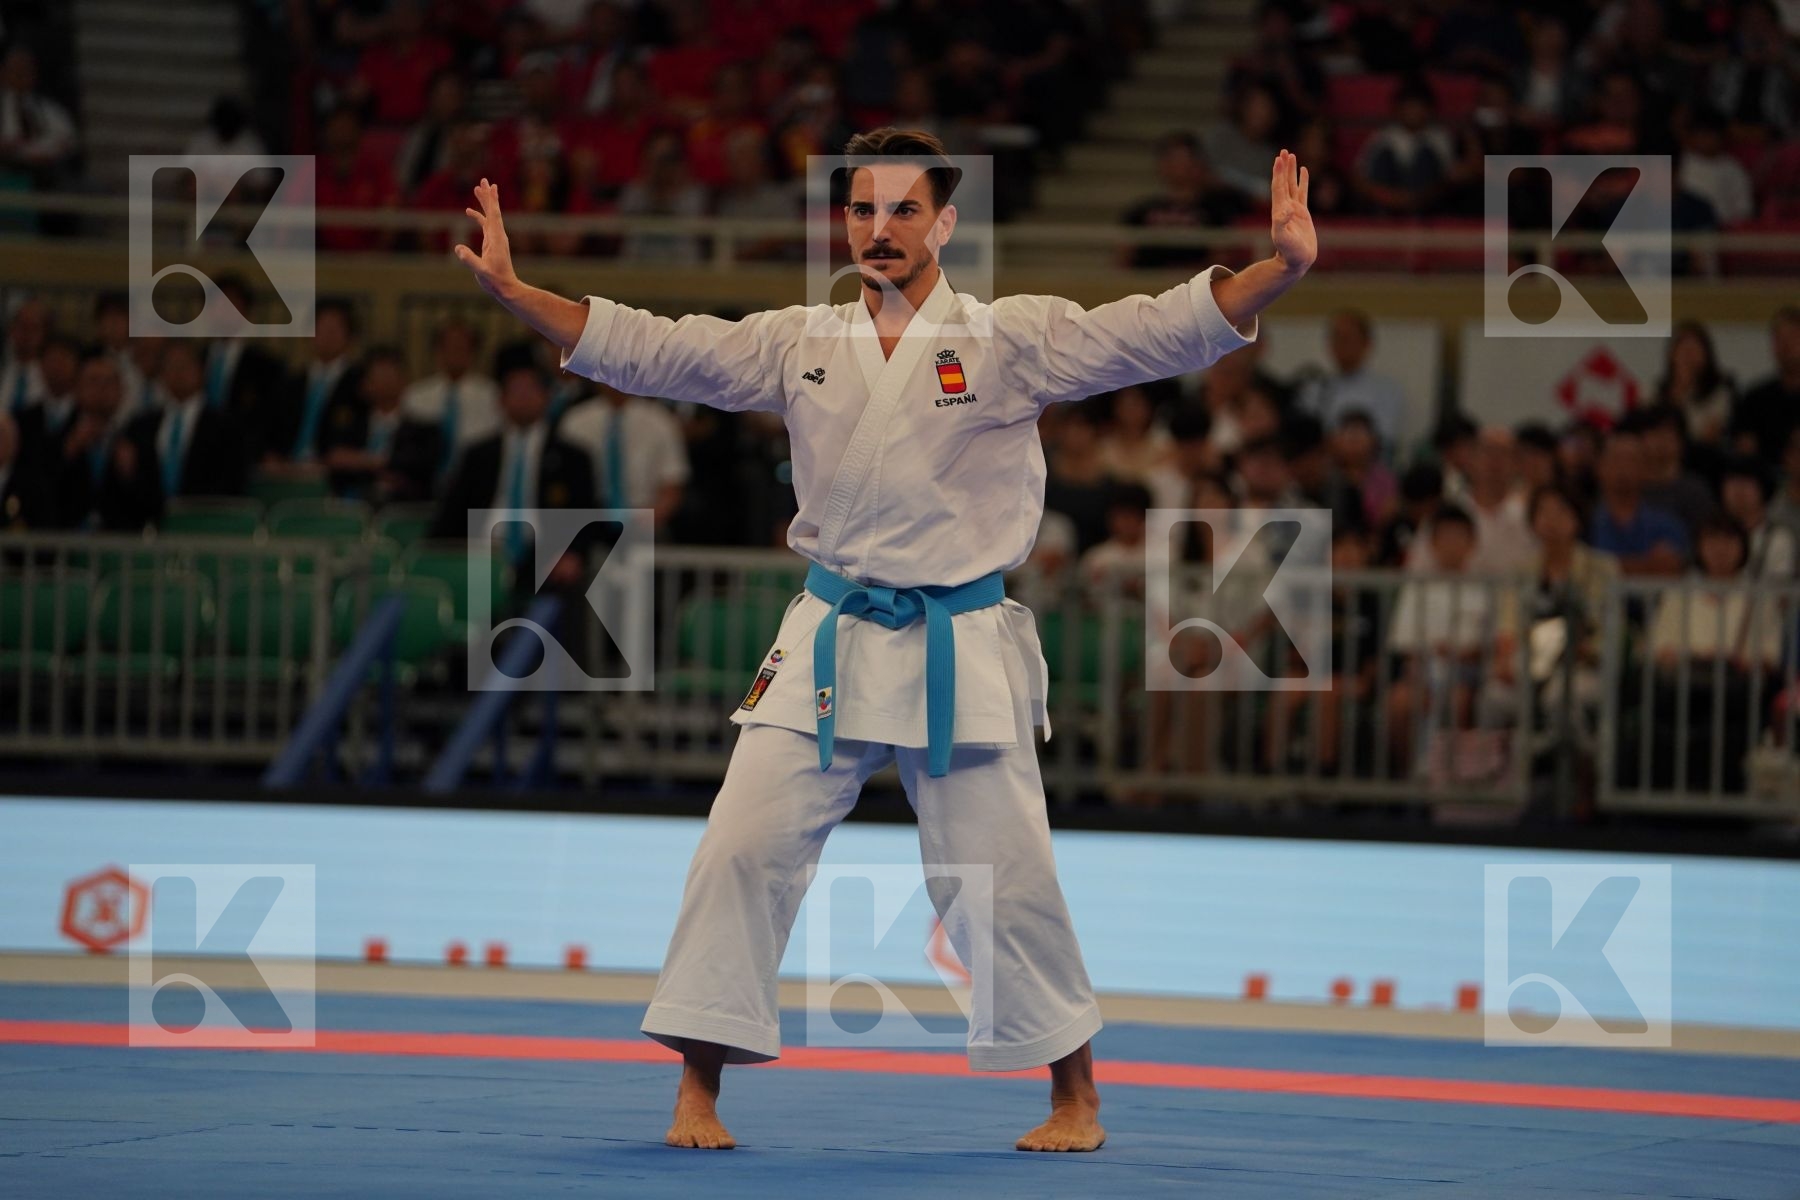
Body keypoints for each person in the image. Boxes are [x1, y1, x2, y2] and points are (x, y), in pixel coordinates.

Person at [451, 127, 1318, 1151]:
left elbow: (1153, 331)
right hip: (831, 629)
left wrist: (1280, 269)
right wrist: (517, 293)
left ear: (944, 223)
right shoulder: (800, 342)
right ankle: (699, 1086)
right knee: (742, 846)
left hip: (959, 633)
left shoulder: (1008, 340)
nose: (881, 228)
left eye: (904, 210)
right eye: (863, 209)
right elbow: (657, 345)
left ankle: (1075, 1094)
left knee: (1002, 873)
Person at [318, 347, 442, 503]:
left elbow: (417, 468)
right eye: (378, 375)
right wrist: (381, 464)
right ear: (365, 384)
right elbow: (335, 459)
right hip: (350, 505)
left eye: (389, 374)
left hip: (400, 509)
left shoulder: (424, 429)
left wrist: (360, 462)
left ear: (404, 380)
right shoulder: (351, 426)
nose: (384, 381)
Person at [557, 384, 690, 526]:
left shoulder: (660, 420)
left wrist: (647, 520)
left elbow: (673, 483)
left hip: (646, 521)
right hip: (587, 522)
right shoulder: (575, 421)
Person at [1296, 309, 1405, 454]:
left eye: (1347, 338)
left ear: (1367, 344)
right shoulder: (1314, 389)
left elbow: (1383, 438)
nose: (1341, 345)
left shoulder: (1387, 390)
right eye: (1336, 338)